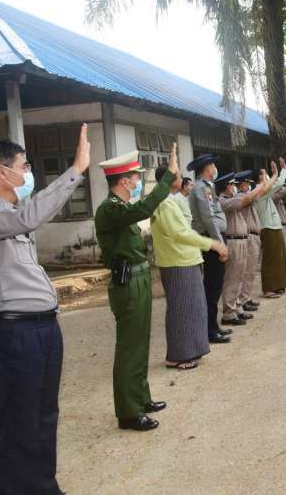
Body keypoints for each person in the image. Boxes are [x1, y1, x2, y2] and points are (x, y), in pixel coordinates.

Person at [0, 124, 90, 495]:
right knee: (18, 423)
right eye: (25, 166)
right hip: (16, 333)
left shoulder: (10, 212)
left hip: (40, 328)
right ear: (2, 172)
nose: (29, 173)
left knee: (43, 417)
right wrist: (75, 170)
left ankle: (44, 487)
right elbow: (28, 219)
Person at [95, 146, 178, 432]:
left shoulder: (121, 209)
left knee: (140, 343)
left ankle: (141, 398)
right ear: (123, 181)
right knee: (129, 347)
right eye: (135, 177)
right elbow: (144, 209)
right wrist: (168, 177)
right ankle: (129, 412)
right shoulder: (110, 209)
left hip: (139, 278)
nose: (138, 181)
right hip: (127, 281)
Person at [150, 166, 230, 371]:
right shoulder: (164, 202)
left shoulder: (173, 199)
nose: (182, 178)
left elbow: (186, 229)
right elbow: (180, 233)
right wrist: (211, 244)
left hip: (186, 259)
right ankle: (178, 355)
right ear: (169, 179)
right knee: (181, 309)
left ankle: (193, 349)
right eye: (177, 175)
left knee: (194, 307)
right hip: (176, 261)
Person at [217, 169, 274, 324]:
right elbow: (249, 197)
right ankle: (229, 313)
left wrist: (265, 182)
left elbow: (254, 195)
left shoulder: (232, 198)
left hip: (241, 240)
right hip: (233, 241)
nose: (234, 187)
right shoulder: (224, 201)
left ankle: (237, 308)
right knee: (232, 279)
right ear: (226, 186)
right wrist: (263, 182)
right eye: (232, 185)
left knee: (240, 277)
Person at [188, 154, 233, 342]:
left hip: (213, 238)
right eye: (213, 165)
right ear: (207, 168)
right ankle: (209, 331)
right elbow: (208, 218)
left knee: (215, 285)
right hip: (210, 240)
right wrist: (219, 243)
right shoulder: (201, 188)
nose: (215, 168)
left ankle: (213, 326)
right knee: (212, 286)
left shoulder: (207, 187)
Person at [253, 159, 286, 298]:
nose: (266, 176)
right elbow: (278, 184)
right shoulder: (259, 191)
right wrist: (279, 172)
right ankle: (268, 288)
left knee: (279, 257)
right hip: (267, 228)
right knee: (270, 258)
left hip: (274, 226)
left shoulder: (264, 190)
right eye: (264, 174)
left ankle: (278, 284)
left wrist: (278, 173)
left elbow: (276, 185)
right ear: (259, 178)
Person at [238, 172, 262, 312]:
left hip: (254, 236)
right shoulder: (241, 197)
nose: (248, 186)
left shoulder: (247, 196)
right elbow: (260, 193)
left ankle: (246, 297)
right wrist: (264, 182)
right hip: (249, 236)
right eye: (246, 183)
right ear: (241, 184)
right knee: (247, 271)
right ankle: (243, 299)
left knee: (251, 270)